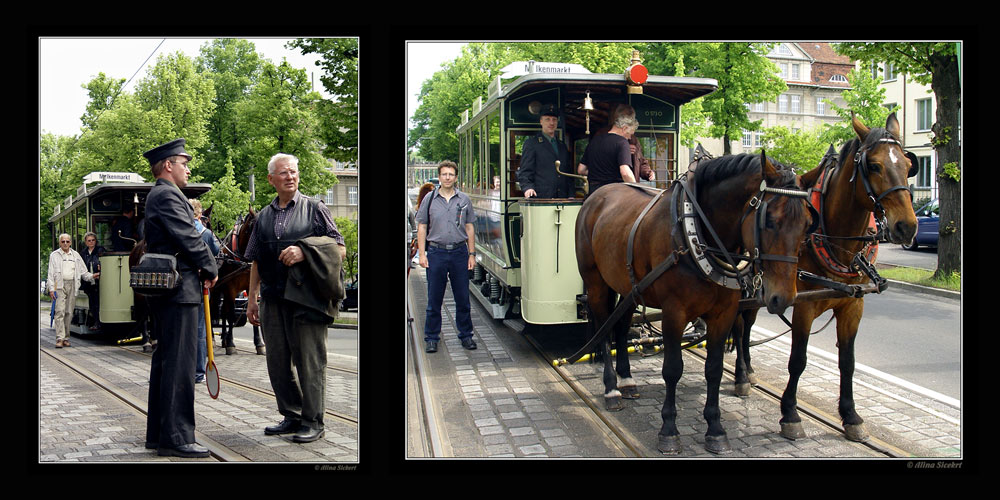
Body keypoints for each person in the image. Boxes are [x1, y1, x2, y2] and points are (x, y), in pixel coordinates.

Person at [245, 152, 347, 444]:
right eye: (283, 173)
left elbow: (339, 248)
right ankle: (291, 414)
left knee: (310, 362)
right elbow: (254, 259)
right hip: (273, 299)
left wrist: (305, 250)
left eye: (293, 171)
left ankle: (313, 420)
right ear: (270, 180)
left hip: (307, 299)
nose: (290, 176)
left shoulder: (315, 208)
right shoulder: (263, 216)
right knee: (277, 361)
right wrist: (253, 298)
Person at [141, 138, 219, 458]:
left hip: (173, 290)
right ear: (169, 165)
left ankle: (159, 433)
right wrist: (211, 267)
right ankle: (176, 437)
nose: (188, 168)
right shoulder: (168, 195)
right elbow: (189, 238)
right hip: (179, 291)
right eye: (184, 163)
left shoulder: (162, 195)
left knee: (166, 361)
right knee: (180, 365)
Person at [415, 160, 478, 354]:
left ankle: (466, 336)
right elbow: (422, 227)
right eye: (444, 174)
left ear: (456, 177)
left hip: (459, 252)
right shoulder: (430, 199)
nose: (447, 177)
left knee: (462, 298)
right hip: (437, 253)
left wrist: (472, 254)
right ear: (439, 177)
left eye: (451, 174)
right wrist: (422, 254)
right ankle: (432, 337)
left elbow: (469, 227)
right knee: (434, 299)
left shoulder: (464, 200)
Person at [577, 104, 651, 195]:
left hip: (593, 195)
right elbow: (625, 173)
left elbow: (581, 170)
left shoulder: (594, 141)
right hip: (613, 195)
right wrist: (637, 191)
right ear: (624, 128)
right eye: (630, 134)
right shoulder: (622, 142)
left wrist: (598, 174)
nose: (629, 138)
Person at [47, 234, 98, 347]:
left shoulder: (76, 255)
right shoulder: (54, 255)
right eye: (63, 241)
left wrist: (92, 276)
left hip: (73, 285)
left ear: (70, 243)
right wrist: (51, 289)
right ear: (60, 243)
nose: (65, 243)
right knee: (59, 311)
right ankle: (59, 338)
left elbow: (83, 272)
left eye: (67, 241)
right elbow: (50, 274)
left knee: (69, 313)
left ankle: (66, 338)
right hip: (59, 286)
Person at [190, 199, 220, 384]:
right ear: (200, 214)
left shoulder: (179, 230)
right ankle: (199, 371)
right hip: (201, 286)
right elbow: (216, 252)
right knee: (201, 328)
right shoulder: (206, 233)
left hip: (180, 285)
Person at [517, 105, 574, 198]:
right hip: (542, 198)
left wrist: (571, 194)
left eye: (554, 119)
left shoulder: (562, 146)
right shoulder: (532, 144)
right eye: (547, 119)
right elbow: (525, 172)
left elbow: (568, 173)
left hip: (563, 198)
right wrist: (528, 188)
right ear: (541, 121)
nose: (551, 123)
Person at [79, 232, 106, 331]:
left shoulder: (100, 250)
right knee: (92, 303)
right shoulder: (83, 253)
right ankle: (95, 322)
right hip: (88, 282)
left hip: (99, 281)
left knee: (99, 302)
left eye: (93, 240)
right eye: (89, 240)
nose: (91, 242)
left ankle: (100, 323)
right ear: (86, 242)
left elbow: (105, 263)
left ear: (96, 241)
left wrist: (100, 270)